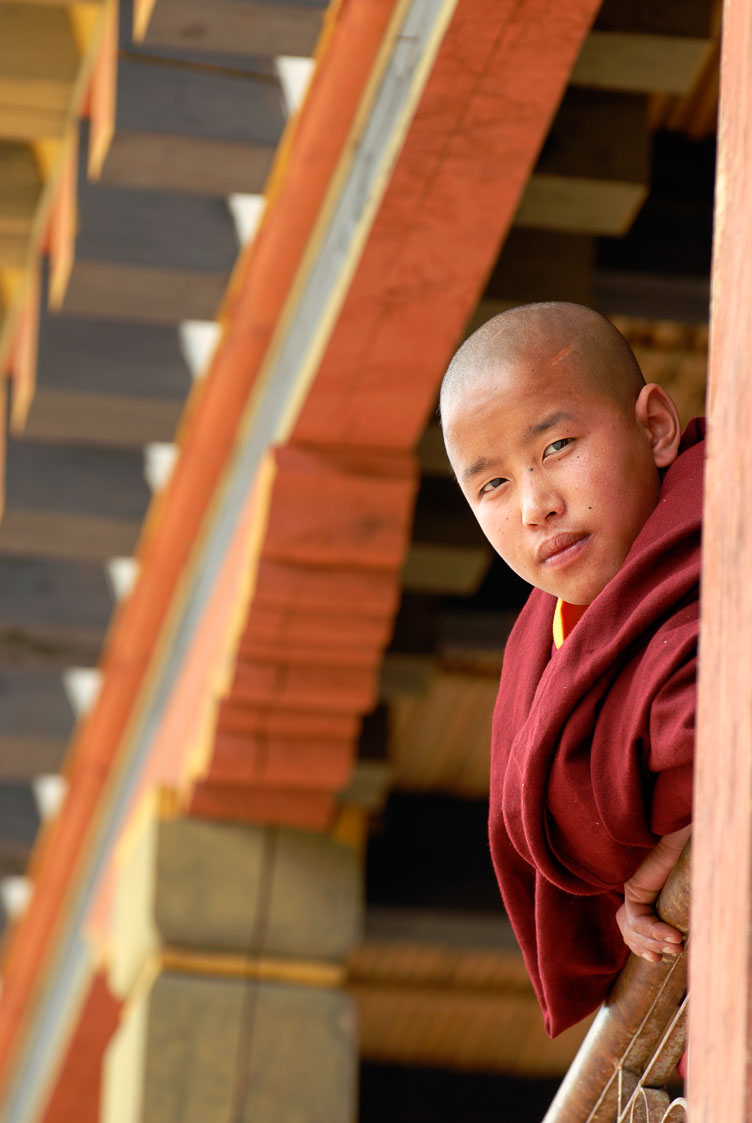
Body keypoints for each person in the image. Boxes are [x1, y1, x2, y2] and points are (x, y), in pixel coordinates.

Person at [440, 302, 700, 1036]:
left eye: (556, 445)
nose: (535, 505)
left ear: (654, 429)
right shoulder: (535, 661)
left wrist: (693, 841)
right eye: (491, 485)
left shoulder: (728, 524)